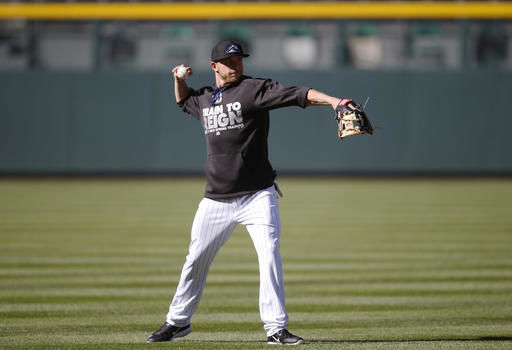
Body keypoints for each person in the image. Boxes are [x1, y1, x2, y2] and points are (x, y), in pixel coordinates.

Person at [147, 39, 359, 345]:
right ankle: (177, 322)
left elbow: (300, 95)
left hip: (257, 195)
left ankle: (276, 328)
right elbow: (184, 102)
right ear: (214, 66)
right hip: (215, 199)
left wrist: (334, 101)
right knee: (195, 259)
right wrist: (178, 79)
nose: (236, 65)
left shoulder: (254, 89)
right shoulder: (205, 98)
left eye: (239, 60)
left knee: (269, 256)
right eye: (230, 62)